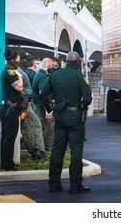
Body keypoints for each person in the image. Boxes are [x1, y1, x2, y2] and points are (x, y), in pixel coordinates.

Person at [39, 51, 92, 193]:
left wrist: (51, 109)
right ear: (77, 62)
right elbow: (87, 99)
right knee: (76, 152)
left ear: (65, 62)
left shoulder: (55, 74)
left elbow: (43, 94)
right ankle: (75, 185)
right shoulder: (79, 76)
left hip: (59, 116)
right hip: (75, 118)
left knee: (57, 150)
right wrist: (81, 104)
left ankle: (54, 184)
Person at [0, 49, 23, 171]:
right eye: (18, 60)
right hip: (10, 110)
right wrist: (20, 76)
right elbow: (19, 87)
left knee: (6, 137)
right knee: (9, 138)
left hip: (7, 109)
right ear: (13, 60)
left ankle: (6, 163)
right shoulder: (10, 73)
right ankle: (8, 165)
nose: (19, 62)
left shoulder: (6, 71)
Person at [17, 54, 46, 160]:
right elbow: (21, 91)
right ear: (22, 60)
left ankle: (38, 151)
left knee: (30, 127)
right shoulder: (21, 73)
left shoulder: (21, 72)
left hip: (25, 104)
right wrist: (24, 106)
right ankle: (37, 151)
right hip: (24, 105)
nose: (31, 62)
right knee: (31, 127)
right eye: (29, 60)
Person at [32, 58, 54, 151]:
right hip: (41, 107)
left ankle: (47, 149)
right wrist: (47, 111)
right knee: (42, 130)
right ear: (48, 65)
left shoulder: (39, 74)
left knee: (49, 129)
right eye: (51, 65)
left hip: (40, 106)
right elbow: (43, 95)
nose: (52, 67)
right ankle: (40, 151)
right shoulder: (43, 76)